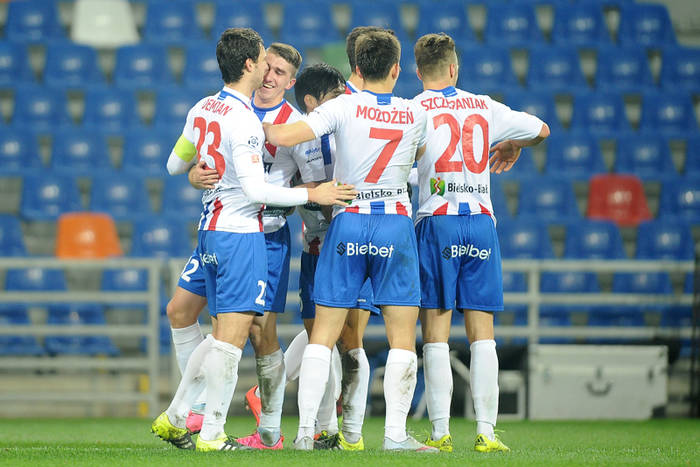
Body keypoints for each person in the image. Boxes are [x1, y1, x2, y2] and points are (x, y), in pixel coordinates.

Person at [150, 27, 356, 452]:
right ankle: (197, 413)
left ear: (290, 82)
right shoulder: (239, 115)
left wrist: (313, 204)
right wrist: (196, 174)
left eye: (279, 71)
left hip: (264, 235)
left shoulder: (290, 125)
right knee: (199, 318)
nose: (269, 73)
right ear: (252, 66)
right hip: (236, 230)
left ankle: (265, 428)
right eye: (267, 63)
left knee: (256, 332)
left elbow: (316, 182)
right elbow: (210, 174)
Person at [264, 30, 437, 453]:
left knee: (322, 335)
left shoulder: (342, 106)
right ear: (396, 69)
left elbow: (281, 137)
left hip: (349, 220)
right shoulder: (414, 112)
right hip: (394, 223)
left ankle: (306, 433)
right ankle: (395, 435)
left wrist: (249, 123)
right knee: (401, 337)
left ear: (356, 68)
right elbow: (417, 156)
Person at [412, 33, 549, 453]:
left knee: (436, 332)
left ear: (418, 72)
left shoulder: (413, 109)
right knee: (482, 333)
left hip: (438, 221)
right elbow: (542, 130)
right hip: (480, 223)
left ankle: (440, 433)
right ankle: (487, 432)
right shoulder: (484, 105)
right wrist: (511, 143)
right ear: (454, 68)